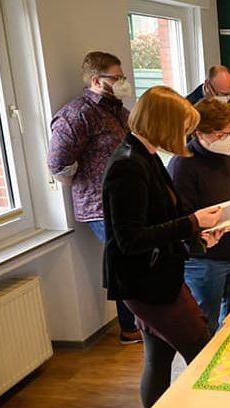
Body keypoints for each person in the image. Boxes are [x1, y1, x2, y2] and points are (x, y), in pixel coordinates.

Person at [102, 86, 225, 408]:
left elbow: (163, 218)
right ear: (162, 124)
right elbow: (131, 239)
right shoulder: (128, 166)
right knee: (204, 353)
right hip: (147, 284)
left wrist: (198, 236)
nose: (185, 135)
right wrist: (193, 222)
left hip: (158, 276)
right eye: (183, 128)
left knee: (158, 358)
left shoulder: (147, 155)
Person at [47, 51, 141, 344]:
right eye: (117, 77)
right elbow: (58, 163)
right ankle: (131, 327)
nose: (123, 82)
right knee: (126, 261)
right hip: (100, 204)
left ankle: (138, 322)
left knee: (133, 259)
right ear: (97, 81)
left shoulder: (118, 111)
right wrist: (93, 181)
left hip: (127, 198)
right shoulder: (77, 114)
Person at [168, 98, 230, 334]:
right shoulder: (183, 164)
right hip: (206, 261)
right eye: (220, 134)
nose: (228, 139)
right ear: (199, 132)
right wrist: (227, 222)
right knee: (203, 326)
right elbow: (181, 219)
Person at [186, 65, 230, 152]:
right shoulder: (188, 107)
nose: (226, 97)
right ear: (207, 85)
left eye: (229, 93)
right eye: (221, 94)